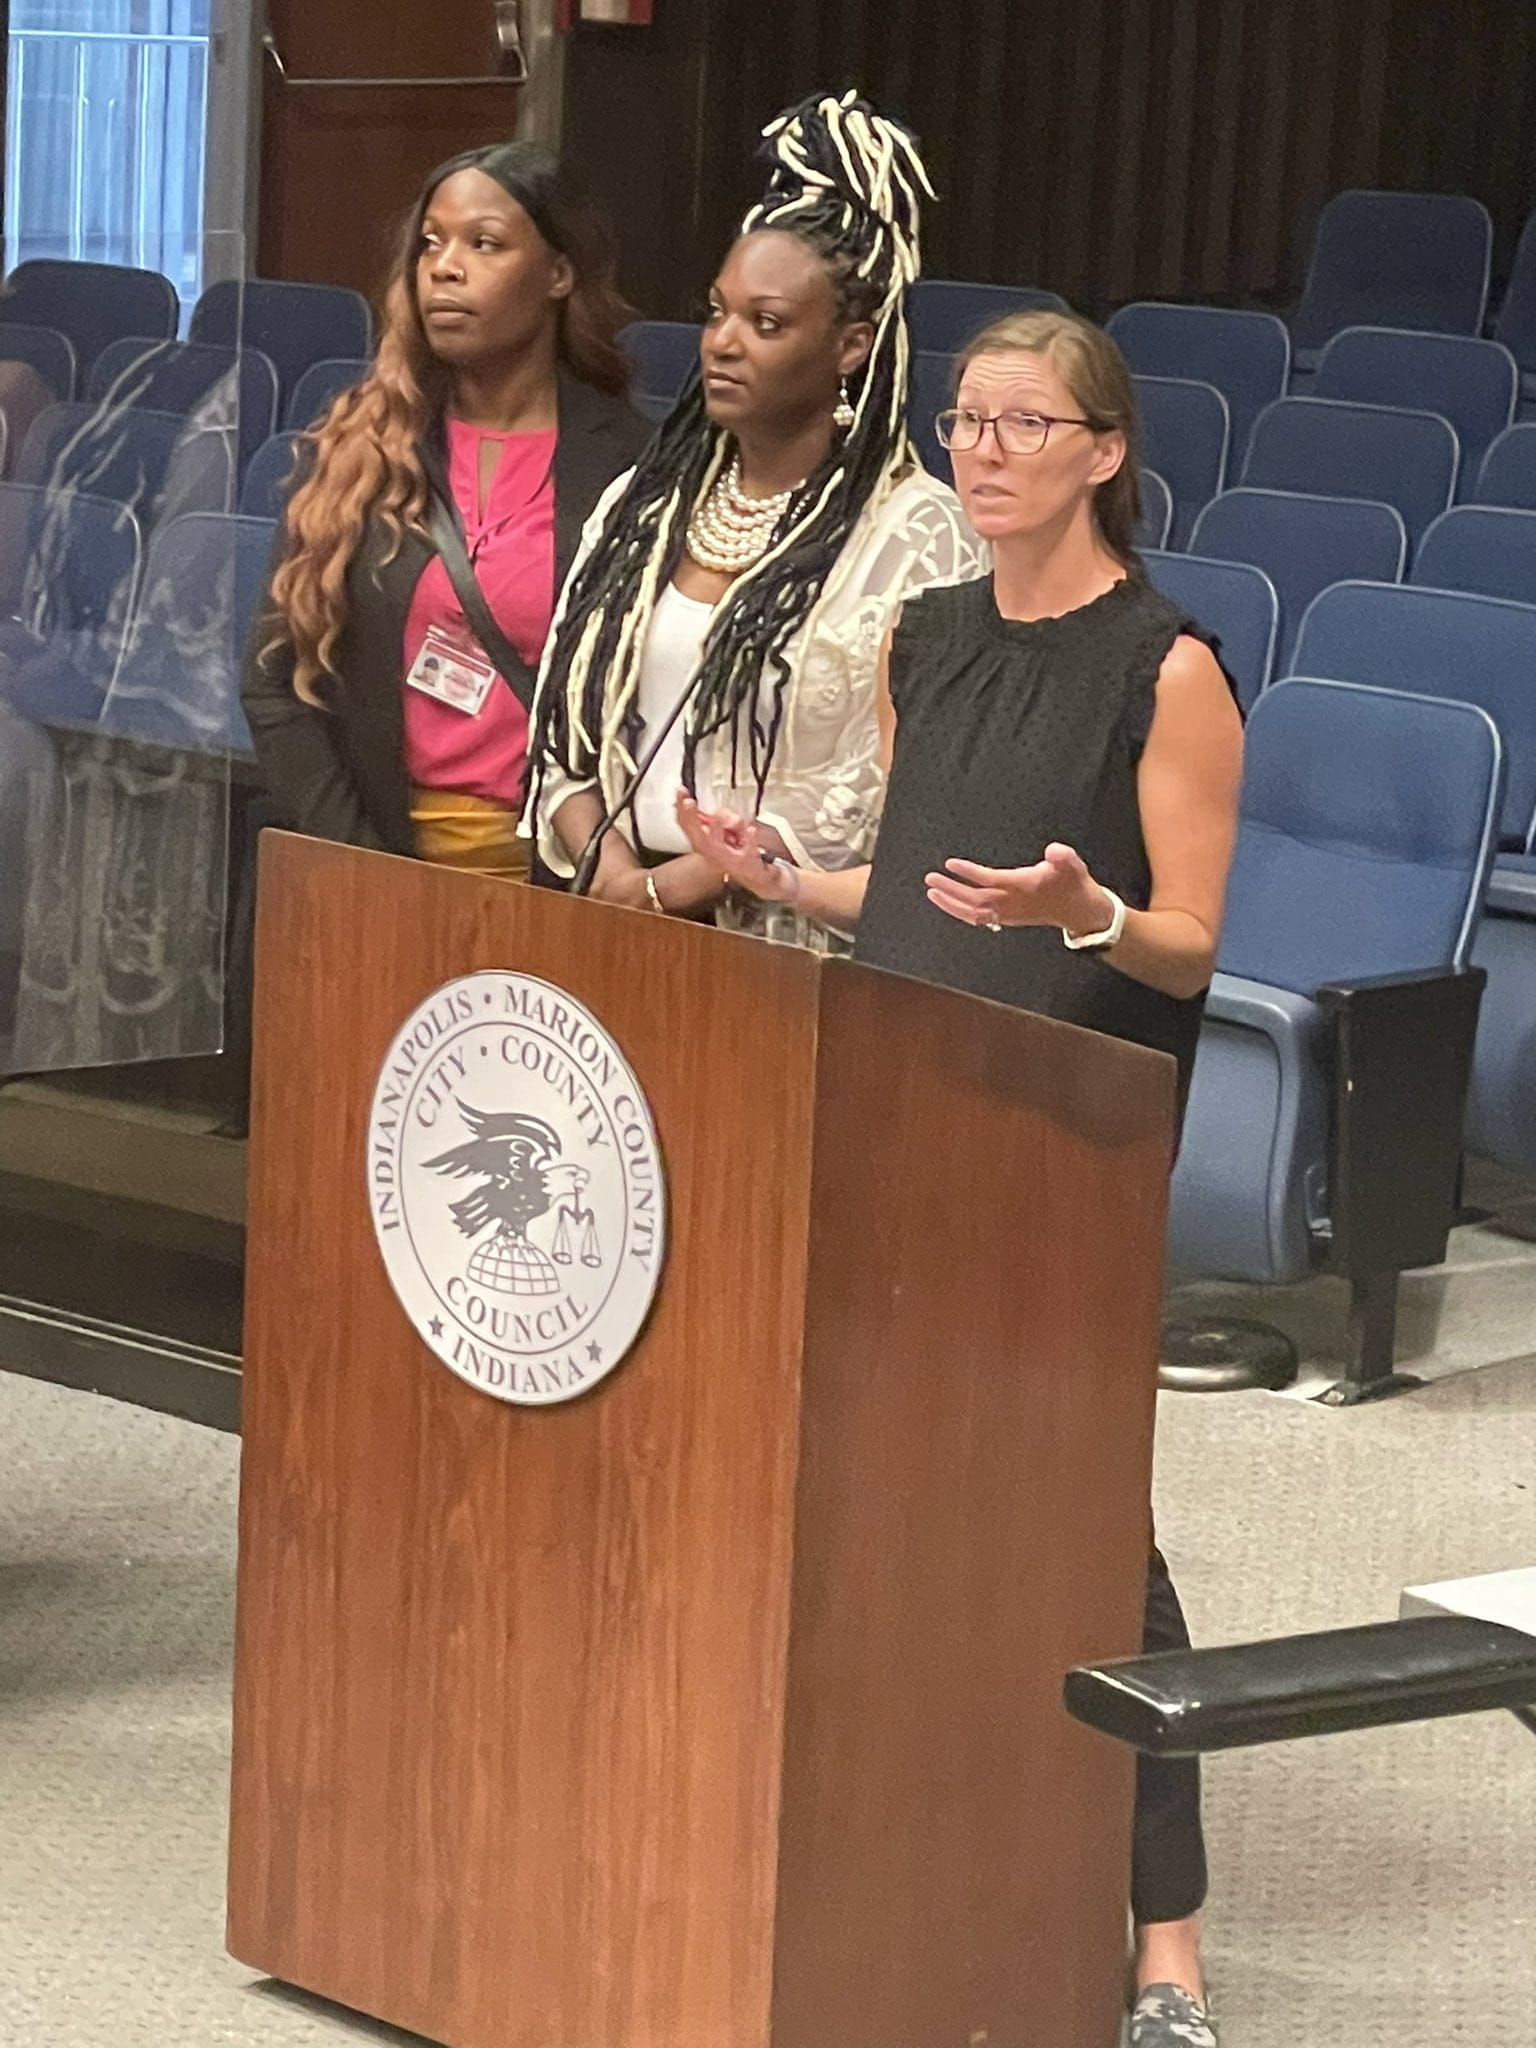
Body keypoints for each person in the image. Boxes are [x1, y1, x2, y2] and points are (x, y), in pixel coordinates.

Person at [675, 309, 1243, 2048]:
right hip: (898, 1111)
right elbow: (931, 889)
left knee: (1088, 1535)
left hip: (1061, 1151)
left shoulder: (1170, 667)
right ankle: (927, 1864)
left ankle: (1168, 1954)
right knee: (896, 1510)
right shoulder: (926, 637)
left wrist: (1091, 911)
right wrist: (794, 876)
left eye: (1023, 421)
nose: (983, 449)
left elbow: (1192, 948)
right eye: (965, 421)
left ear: (1103, 451)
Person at [525, 91, 985, 938]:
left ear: (852, 346)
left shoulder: (918, 536)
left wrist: (685, 885)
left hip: (790, 948)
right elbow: (564, 722)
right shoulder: (643, 504)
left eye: (766, 323)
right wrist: (616, 872)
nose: (723, 342)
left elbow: (887, 790)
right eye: (717, 311)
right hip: (612, 917)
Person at [242, 140, 650, 877]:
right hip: (374, 865)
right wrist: (364, 865)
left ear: (559, 273)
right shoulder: (361, 446)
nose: (444, 267)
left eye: (484, 243)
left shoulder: (632, 464)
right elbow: (274, 680)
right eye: (431, 244)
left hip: (557, 887)